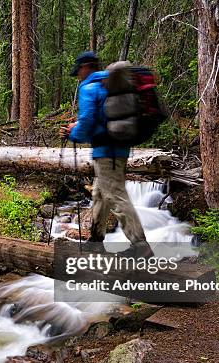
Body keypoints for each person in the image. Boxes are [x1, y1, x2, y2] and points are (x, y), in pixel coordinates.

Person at [60, 51, 152, 256]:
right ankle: (96, 238)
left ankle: (140, 246)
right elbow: (102, 118)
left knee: (116, 195)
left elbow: (87, 122)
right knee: (100, 193)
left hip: (105, 151)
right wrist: (79, 126)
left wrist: (72, 133)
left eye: (79, 71)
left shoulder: (89, 87)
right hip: (119, 148)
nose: (78, 76)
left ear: (85, 67)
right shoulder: (108, 85)